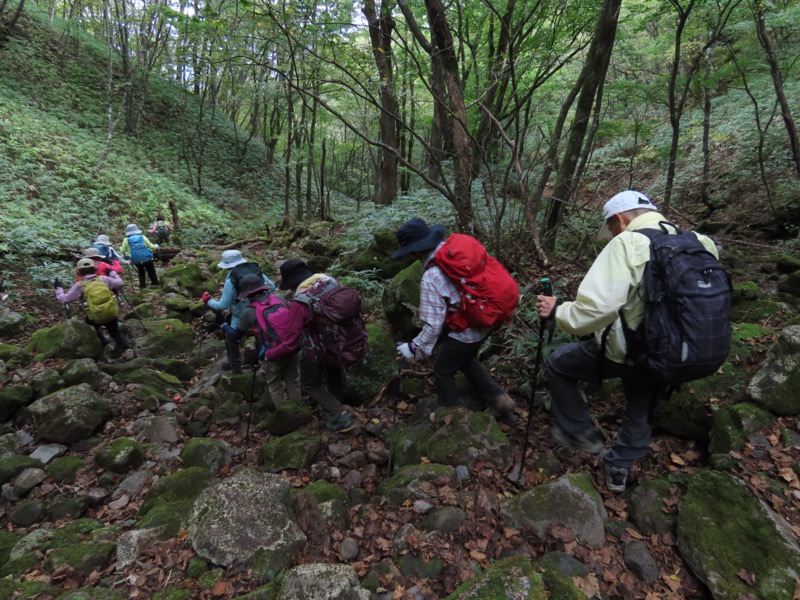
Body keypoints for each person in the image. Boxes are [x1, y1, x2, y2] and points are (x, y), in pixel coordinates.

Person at [535, 190, 720, 493]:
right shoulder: (700, 242)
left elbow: (597, 308)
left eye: (609, 227)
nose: (610, 234)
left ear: (619, 220)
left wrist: (558, 311)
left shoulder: (628, 243)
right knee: (641, 399)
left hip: (628, 349)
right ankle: (619, 467)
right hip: (678, 348)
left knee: (559, 364)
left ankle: (581, 434)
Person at [391, 218, 517, 423]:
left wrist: (414, 349)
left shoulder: (431, 276)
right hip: (488, 318)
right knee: (464, 359)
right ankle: (500, 400)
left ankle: (449, 417)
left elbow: (433, 326)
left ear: (415, 252)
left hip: (468, 329)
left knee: (442, 370)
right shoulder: (455, 251)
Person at [262, 259, 357, 433]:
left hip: (316, 349)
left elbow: (291, 343)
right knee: (334, 372)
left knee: (310, 384)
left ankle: (338, 415)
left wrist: (270, 354)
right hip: (340, 341)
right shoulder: (330, 281)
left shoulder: (300, 303)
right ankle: (335, 411)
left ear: (292, 283)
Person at [220, 273, 302, 407]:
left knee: (275, 385)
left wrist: (223, 325)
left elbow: (235, 337)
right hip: (292, 346)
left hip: (273, 353)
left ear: (246, 294)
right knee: (293, 381)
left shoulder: (249, 312)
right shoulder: (279, 298)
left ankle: (284, 415)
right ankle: (299, 411)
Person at [202, 250, 275, 373]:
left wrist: (208, 301)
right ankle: (262, 362)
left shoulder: (231, 280)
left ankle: (236, 370)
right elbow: (272, 287)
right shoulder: (255, 272)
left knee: (232, 339)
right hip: (262, 313)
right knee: (262, 337)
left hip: (240, 317)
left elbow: (222, 305)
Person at [55, 258, 131, 353]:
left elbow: (65, 299)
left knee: (91, 328)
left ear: (78, 272)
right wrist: (112, 273)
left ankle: (105, 344)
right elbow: (121, 283)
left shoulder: (80, 285)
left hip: (94, 315)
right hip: (110, 311)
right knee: (115, 332)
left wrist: (58, 288)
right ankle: (127, 349)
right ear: (95, 269)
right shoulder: (103, 279)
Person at [120, 224, 159, 289]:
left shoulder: (126, 240)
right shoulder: (143, 237)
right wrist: (156, 246)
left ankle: (142, 286)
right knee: (151, 271)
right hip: (147, 258)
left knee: (141, 271)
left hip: (135, 260)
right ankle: (155, 284)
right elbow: (152, 247)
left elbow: (122, 251)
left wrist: (121, 248)